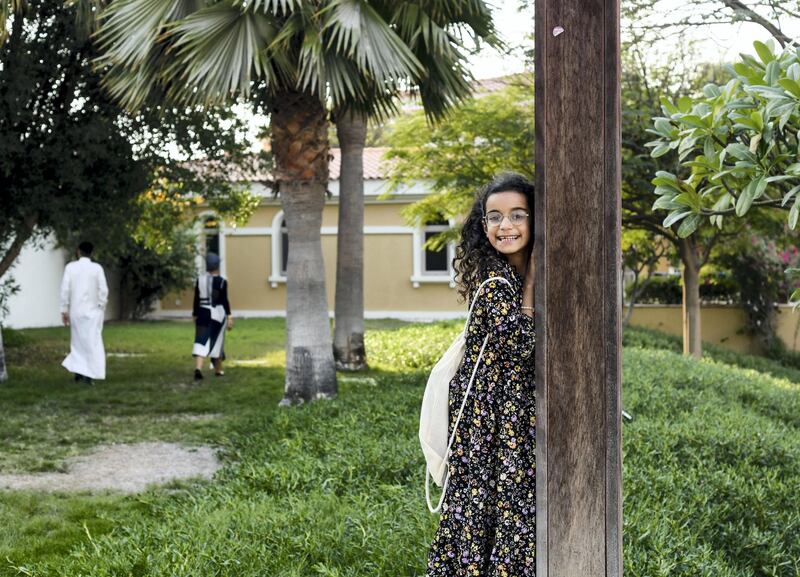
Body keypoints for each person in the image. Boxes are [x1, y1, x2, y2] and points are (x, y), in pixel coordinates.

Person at [426, 173, 537, 576]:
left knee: (502, 523)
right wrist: (534, 281)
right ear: (483, 225)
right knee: (489, 524)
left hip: (507, 423)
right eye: (494, 217)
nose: (504, 226)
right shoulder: (495, 282)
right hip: (489, 427)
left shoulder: (514, 278)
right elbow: (520, 344)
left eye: (517, 215)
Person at [60, 241, 109, 384]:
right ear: (92, 253)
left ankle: (79, 372)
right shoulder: (97, 268)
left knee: (77, 342)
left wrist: (64, 309)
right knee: (92, 342)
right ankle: (89, 373)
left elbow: (65, 290)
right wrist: (101, 305)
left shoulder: (70, 267)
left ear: (78, 251)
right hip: (93, 311)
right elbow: (103, 289)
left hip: (76, 311)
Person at [192, 252, 233, 380]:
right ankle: (218, 370)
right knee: (217, 342)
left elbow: (196, 298)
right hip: (217, 314)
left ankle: (198, 368)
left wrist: (195, 314)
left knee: (201, 340)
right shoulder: (221, 282)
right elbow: (224, 300)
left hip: (202, 312)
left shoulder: (200, 280)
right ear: (217, 266)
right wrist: (229, 316)